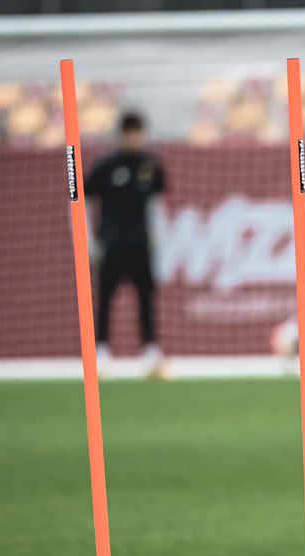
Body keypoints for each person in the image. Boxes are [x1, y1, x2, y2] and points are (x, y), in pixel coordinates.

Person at [86, 112, 167, 377]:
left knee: (146, 300)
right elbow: (79, 198)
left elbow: (156, 205)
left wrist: (159, 241)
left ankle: (151, 354)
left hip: (141, 246)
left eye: (138, 132)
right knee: (104, 300)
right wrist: (88, 241)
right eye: (130, 133)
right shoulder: (106, 166)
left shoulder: (150, 165)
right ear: (122, 135)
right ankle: (101, 353)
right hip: (111, 245)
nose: (135, 138)